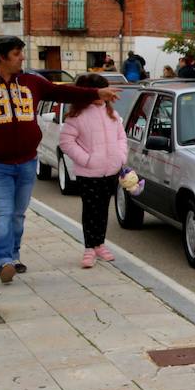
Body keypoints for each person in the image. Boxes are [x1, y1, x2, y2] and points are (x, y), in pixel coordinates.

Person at [0, 36, 118, 283]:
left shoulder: (31, 82)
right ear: (1, 57)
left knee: (18, 215)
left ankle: (14, 255)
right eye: (17, 53)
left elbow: (60, 91)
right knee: (2, 212)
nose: (22, 57)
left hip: (27, 162)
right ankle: (3, 261)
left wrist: (96, 92)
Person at [58, 73, 128, 269]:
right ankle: (89, 247)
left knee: (104, 208)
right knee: (90, 209)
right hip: (88, 173)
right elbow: (66, 142)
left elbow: (122, 137)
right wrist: (87, 159)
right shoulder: (77, 116)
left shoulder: (112, 114)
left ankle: (100, 244)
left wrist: (121, 156)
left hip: (111, 170)